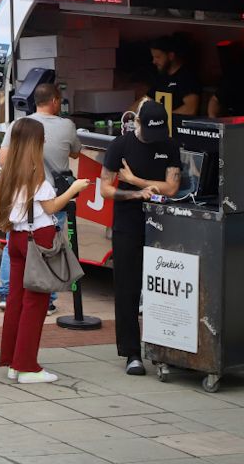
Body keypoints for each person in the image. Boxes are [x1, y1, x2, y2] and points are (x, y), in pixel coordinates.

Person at [0, 118, 91, 384]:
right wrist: (73, 189)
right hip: (39, 238)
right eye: (42, 138)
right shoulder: (35, 176)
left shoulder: (7, 174)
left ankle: (14, 361)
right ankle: (27, 366)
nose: (45, 142)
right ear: (34, 143)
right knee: (35, 303)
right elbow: (51, 208)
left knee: (15, 299)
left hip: (15, 238)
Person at [100, 99, 180, 376]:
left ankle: (166, 347)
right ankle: (131, 352)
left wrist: (136, 181)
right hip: (128, 221)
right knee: (127, 286)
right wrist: (135, 194)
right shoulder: (120, 146)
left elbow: (171, 187)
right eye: (150, 133)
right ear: (139, 124)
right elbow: (105, 190)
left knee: (164, 285)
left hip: (162, 222)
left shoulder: (168, 145)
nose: (154, 139)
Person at [0, 83, 79, 311]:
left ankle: (6, 293)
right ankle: (47, 298)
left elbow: (2, 160)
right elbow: (76, 151)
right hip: (51, 195)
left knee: (13, 245)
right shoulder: (67, 125)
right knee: (50, 249)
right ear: (55, 101)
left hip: (21, 195)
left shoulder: (18, 125)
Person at [148, 35, 201, 120]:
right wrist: (128, 115)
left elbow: (191, 109)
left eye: (157, 57)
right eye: (153, 57)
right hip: (160, 127)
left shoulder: (187, 77)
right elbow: (147, 99)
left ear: (171, 56)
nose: (154, 61)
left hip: (179, 128)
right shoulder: (162, 76)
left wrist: (161, 118)